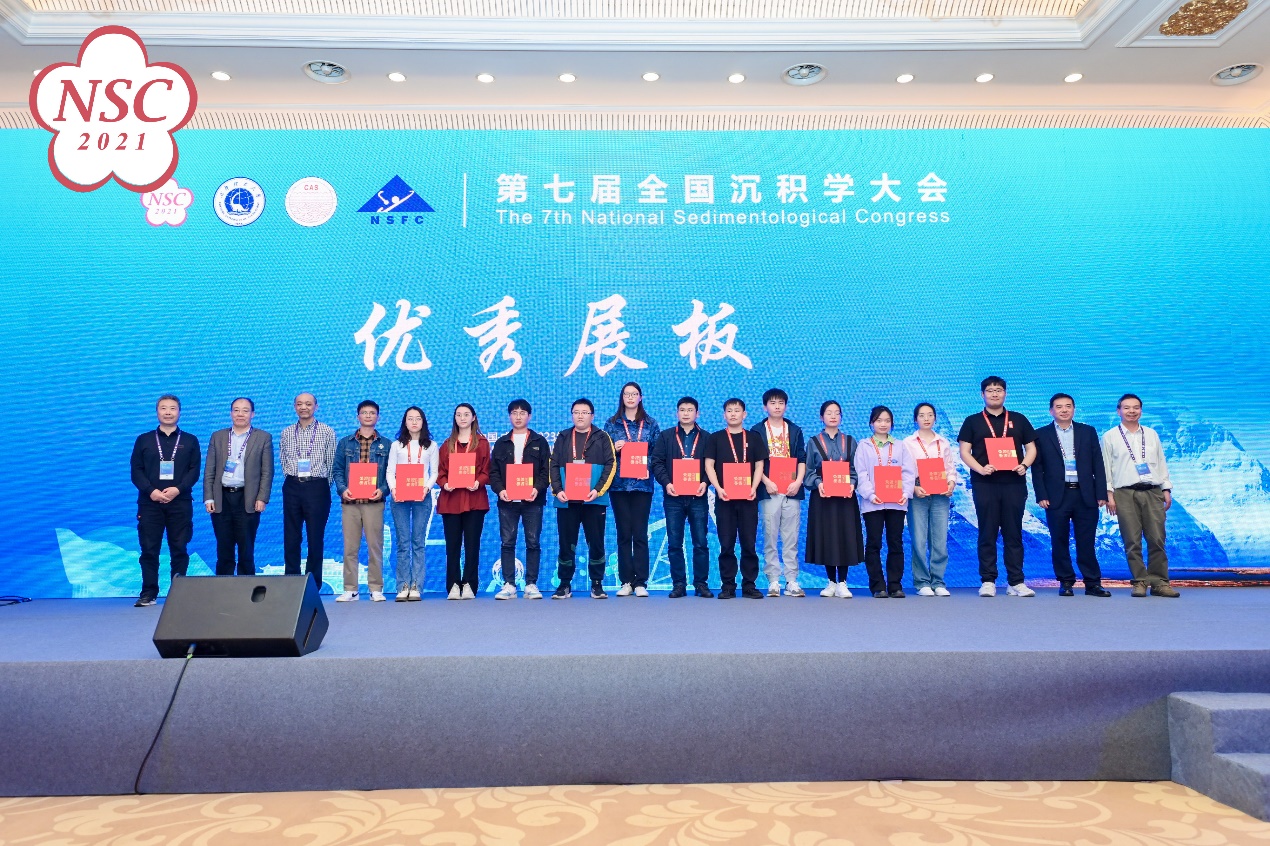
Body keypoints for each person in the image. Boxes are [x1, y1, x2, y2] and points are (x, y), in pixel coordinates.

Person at [958, 377, 1038, 597]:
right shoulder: (972, 421)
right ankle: (988, 580)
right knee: (987, 531)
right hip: (985, 483)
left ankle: (1016, 582)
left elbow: (1031, 448)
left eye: (999, 390)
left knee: (1014, 533)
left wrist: (1024, 465)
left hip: (1014, 483)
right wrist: (980, 468)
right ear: (982, 394)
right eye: (990, 390)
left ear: (1005, 393)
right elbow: (964, 451)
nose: (994, 394)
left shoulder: (1019, 419)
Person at [1032, 394, 1111, 597]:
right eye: (1059, 407)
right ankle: (1065, 581)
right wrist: (1041, 494)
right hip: (1056, 495)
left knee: (1087, 541)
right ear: (1051, 411)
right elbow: (1037, 468)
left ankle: (1092, 583)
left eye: (1068, 406)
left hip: (1086, 494)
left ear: (1074, 409)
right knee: (1059, 540)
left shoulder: (1088, 431)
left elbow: (1098, 463)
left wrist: (1101, 492)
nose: (1064, 410)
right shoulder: (1040, 434)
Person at [1103, 394, 1178, 598]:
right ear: (1118, 411)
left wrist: (1166, 489)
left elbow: (1161, 463)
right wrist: (1109, 494)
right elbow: (1106, 468)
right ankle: (1139, 581)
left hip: (1152, 491)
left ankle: (1160, 583)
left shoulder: (1151, 434)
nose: (1131, 411)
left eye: (1136, 407)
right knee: (1132, 540)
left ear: (1141, 411)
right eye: (1127, 408)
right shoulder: (1110, 436)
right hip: (1124, 493)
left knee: (1157, 538)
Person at [129, 395, 201, 607]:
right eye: (163, 408)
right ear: (157, 412)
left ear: (179, 412)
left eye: (172, 408)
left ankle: (179, 594)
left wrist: (178, 489)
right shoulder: (143, 440)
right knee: (149, 549)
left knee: (179, 548)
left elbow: (194, 471)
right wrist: (151, 491)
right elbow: (136, 470)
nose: (168, 412)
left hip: (180, 502)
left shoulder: (190, 440)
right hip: (149, 503)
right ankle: (148, 593)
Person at [550, 398, 617, 599]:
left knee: (596, 543)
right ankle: (564, 584)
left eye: (584, 412)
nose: (580, 416)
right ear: (572, 415)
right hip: (566, 500)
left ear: (592, 416)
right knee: (566, 543)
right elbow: (553, 464)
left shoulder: (602, 437)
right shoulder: (563, 437)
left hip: (593, 500)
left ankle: (597, 583)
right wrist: (557, 490)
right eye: (576, 412)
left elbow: (611, 464)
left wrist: (598, 490)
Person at [704, 398, 768, 599]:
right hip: (725, 499)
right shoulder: (715, 438)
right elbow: (709, 465)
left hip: (748, 498)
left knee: (749, 543)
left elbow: (759, 465)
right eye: (729, 411)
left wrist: (754, 487)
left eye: (737, 410)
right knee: (726, 544)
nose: (733, 414)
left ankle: (749, 585)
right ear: (724, 415)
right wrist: (718, 488)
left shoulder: (754, 438)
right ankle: (728, 586)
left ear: (744, 414)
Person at [203, 397, 274, 577]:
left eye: (245, 410)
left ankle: (247, 587)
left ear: (252, 414)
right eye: (236, 410)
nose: (240, 414)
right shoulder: (218, 436)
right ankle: (222, 587)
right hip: (221, 498)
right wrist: (209, 497)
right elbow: (209, 469)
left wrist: (262, 498)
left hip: (248, 498)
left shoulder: (263, 437)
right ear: (230, 413)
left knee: (246, 549)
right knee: (223, 548)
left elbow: (267, 472)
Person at [650, 397, 712, 598]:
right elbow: (657, 462)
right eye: (682, 410)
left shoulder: (707, 438)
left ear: (697, 413)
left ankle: (701, 584)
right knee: (675, 543)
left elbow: (713, 465)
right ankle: (678, 584)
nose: (686, 413)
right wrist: (666, 483)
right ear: (677, 413)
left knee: (700, 542)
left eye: (690, 410)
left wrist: (705, 482)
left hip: (698, 497)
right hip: (673, 497)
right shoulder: (666, 436)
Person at [488, 399, 551, 600]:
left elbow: (547, 471)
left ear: (529, 416)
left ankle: (531, 584)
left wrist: (537, 489)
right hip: (507, 501)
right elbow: (493, 472)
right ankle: (509, 584)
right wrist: (500, 490)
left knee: (533, 542)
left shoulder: (539, 442)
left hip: (533, 501)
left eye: (522, 413)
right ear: (509, 416)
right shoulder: (501, 443)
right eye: (514, 413)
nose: (518, 416)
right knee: (507, 542)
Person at [604, 382, 661, 597]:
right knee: (623, 533)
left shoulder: (651, 424)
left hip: (642, 485)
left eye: (634, 394)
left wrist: (647, 465)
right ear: (622, 397)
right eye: (626, 394)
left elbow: (658, 454)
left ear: (640, 397)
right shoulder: (612, 424)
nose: (630, 397)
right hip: (619, 485)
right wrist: (614, 447)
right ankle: (626, 581)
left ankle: (640, 582)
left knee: (640, 533)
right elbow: (604, 454)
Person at [331, 400, 392, 602]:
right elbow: (337, 470)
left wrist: (382, 490)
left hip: (374, 503)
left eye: (372, 413)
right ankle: (351, 589)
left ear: (378, 417)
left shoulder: (387, 444)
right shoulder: (345, 443)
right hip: (351, 503)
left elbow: (392, 473)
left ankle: (376, 588)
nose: (368, 416)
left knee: (375, 547)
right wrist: (343, 489)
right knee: (350, 548)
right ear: (358, 416)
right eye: (364, 412)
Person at [803, 400, 865, 598]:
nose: (833, 416)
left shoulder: (850, 441)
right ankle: (830, 582)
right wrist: (818, 483)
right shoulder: (813, 442)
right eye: (829, 413)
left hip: (845, 496)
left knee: (845, 535)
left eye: (837, 413)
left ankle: (843, 582)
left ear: (841, 417)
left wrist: (852, 484)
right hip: (823, 496)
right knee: (827, 536)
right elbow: (808, 470)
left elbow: (856, 469)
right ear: (821, 417)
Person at [855, 406, 917, 598]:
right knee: (874, 543)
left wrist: (905, 492)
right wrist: (870, 494)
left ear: (892, 423)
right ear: (871, 423)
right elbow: (860, 472)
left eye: (887, 420)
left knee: (895, 543)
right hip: (872, 502)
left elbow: (908, 472)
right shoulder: (864, 445)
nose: (883, 424)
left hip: (896, 502)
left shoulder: (900, 446)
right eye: (879, 420)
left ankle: (895, 585)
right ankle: (878, 586)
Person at [752, 388, 807, 597]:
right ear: (765, 406)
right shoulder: (757, 430)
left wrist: (798, 482)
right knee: (770, 536)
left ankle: (791, 580)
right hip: (769, 489)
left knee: (791, 537)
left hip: (792, 489)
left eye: (781, 403)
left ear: (786, 406)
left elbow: (801, 458)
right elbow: (754, 462)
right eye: (773, 403)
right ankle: (773, 580)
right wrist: (765, 481)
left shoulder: (795, 430)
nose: (777, 406)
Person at [279, 392, 336, 590]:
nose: (304, 407)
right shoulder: (286, 432)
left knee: (315, 537)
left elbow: (331, 463)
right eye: (300, 404)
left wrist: (320, 485)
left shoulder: (327, 431)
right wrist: (295, 478)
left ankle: (313, 584)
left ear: (316, 407)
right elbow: (283, 460)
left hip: (317, 487)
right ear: (295, 407)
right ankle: (291, 582)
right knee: (291, 536)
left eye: (308, 404)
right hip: (292, 486)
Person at [436, 403, 491, 600]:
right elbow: (440, 472)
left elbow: (487, 471)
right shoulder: (447, 444)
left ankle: (469, 584)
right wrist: (445, 483)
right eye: (458, 415)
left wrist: (478, 482)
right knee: (452, 546)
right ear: (455, 418)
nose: (462, 418)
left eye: (466, 414)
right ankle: (453, 584)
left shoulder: (482, 443)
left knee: (472, 545)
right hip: (451, 501)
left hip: (474, 500)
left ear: (473, 417)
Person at [903, 403, 958, 597]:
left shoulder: (943, 442)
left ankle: (938, 581)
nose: (926, 419)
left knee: (940, 539)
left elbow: (950, 468)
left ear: (935, 418)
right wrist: (913, 487)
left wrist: (951, 483)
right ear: (915, 419)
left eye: (930, 415)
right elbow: (903, 470)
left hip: (940, 492)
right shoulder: (908, 443)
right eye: (921, 415)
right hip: (918, 491)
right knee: (919, 539)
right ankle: (922, 582)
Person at [386, 406, 438, 602]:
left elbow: (434, 472)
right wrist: (394, 489)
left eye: (418, 418)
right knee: (402, 542)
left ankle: (416, 585)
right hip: (399, 496)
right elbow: (390, 471)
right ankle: (403, 585)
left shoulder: (431, 445)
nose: (414, 422)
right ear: (405, 422)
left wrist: (426, 487)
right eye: (410, 418)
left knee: (418, 542)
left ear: (423, 422)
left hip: (422, 496)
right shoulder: (396, 445)